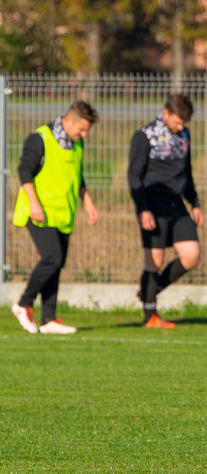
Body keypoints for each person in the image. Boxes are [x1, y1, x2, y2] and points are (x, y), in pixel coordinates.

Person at [11, 101, 99, 335]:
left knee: (57, 264)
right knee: (52, 257)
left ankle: (48, 318)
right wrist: (34, 203)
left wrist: (88, 202)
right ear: (68, 120)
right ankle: (23, 304)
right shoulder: (40, 139)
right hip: (39, 211)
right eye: (81, 128)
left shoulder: (76, 144)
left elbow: (77, 176)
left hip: (63, 213)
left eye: (87, 130)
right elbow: (24, 171)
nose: (84, 134)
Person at [128, 94, 202, 328]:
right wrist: (143, 208)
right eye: (178, 122)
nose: (181, 127)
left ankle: (151, 289)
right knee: (155, 259)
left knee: (191, 255)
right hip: (152, 205)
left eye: (184, 124)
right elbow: (134, 176)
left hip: (176, 205)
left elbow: (187, 173)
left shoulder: (184, 136)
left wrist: (195, 203)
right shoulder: (145, 136)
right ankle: (150, 315)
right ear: (166, 113)